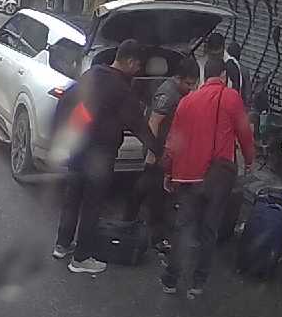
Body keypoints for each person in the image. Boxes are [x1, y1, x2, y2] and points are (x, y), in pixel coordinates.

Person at [53, 39, 162, 275]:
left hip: (78, 149)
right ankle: (81, 258)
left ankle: (62, 245)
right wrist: (157, 149)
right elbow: (138, 123)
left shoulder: (92, 74)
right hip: (100, 157)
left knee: (72, 198)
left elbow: (66, 102)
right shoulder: (121, 89)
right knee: (92, 205)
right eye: (138, 66)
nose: (138, 71)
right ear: (130, 62)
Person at [160, 58, 256, 299]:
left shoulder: (186, 101)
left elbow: (173, 141)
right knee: (209, 229)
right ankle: (198, 283)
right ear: (223, 76)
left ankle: (171, 279)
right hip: (217, 177)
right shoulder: (231, 97)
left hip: (188, 176)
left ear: (205, 76)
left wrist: (168, 171)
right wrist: (250, 159)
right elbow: (244, 132)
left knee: (183, 228)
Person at [124, 58, 200, 253]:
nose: (191, 88)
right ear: (178, 78)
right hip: (159, 149)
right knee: (159, 194)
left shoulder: (180, 92)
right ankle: (156, 236)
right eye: (188, 83)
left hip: (167, 149)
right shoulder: (168, 93)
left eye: (194, 84)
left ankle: (129, 220)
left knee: (145, 187)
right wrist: (152, 152)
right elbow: (154, 122)